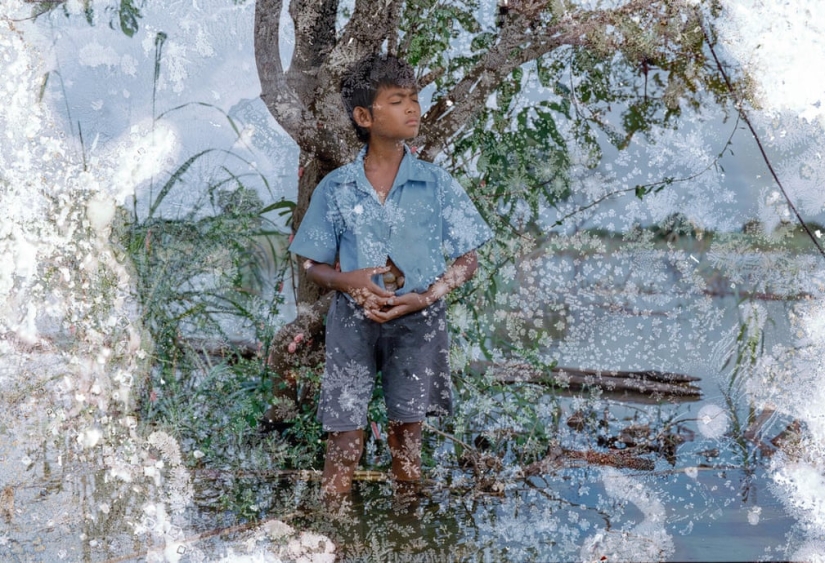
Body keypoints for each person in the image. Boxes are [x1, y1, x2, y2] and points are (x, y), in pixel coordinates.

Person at [288, 53, 492, 497]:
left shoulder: (435, 184)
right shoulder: (337, 187)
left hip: (419, 321)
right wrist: (349, 282)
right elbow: (310, 263)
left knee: (407, 436)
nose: (412, 108)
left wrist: (427, 296)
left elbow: (468, 259)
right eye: (397, 101)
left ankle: (408, 516)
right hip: (352, 321)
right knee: (344, 436)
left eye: (414, 98)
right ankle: (333, 519)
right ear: (364, 117)